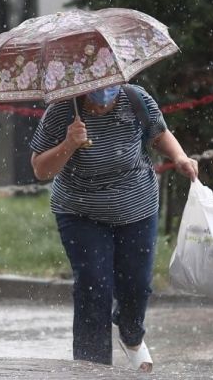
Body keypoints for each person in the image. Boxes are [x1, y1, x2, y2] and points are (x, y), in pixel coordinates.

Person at [29, 84, 198, 372]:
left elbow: (159, 134)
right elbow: (40, 169)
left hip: (137, 208)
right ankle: (91, 367)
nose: (105, 94)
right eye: (96, 88)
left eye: (111, 87)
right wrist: (69, 143)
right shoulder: (61, 111)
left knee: (138, 285)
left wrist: (179, 157)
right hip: (81, 212)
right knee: (94, 286)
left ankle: (131, 334)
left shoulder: (135, 99)